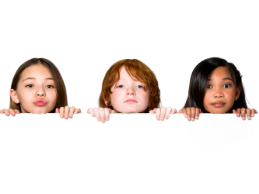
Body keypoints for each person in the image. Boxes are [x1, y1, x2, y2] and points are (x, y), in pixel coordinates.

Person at [87, 59, 176, 123]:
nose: (130, 91)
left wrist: (168, 116)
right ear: (106, 98)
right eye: (121, 86)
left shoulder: (164, 118)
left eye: (139, 86)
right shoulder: (96, 116)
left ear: (151, 98)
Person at [179, 57, 257, 121]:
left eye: (226, 86)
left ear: (237, 93)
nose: (218, 94)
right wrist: (177, 119)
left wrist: (254, 120)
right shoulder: (182, 118)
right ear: (196, 92)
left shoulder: (248, 119)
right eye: (208, 86)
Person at [0, 58, 81, 119]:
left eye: (49, 86)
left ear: (59, 92)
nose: (40, 92)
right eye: (30, 85)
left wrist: (88, 119)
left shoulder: (77, 119)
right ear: (15, 95)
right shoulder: (3, 120)